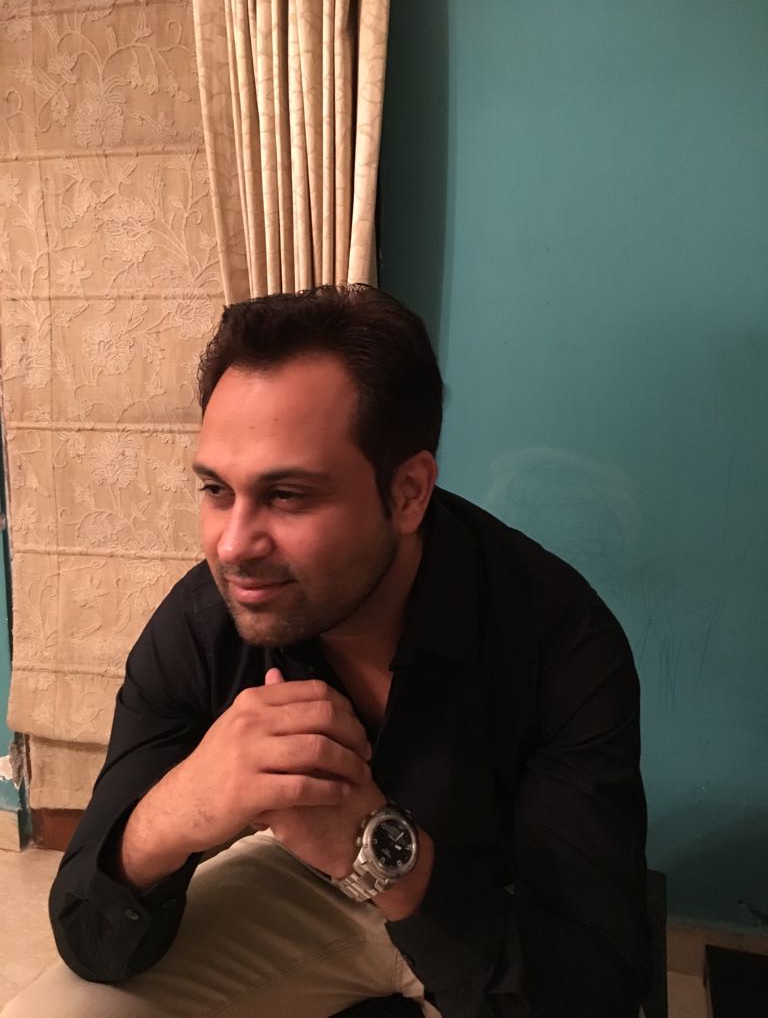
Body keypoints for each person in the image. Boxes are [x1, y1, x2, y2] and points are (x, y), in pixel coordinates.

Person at [3, 285, 651, 1018]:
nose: (232, 546)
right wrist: (178, 810)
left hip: (497, 908)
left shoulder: (563, 641)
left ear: (407, 493)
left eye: (287, 495)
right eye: (216, 489)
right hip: (312, 889)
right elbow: (88, 936)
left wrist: (371, 847)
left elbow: (591, 990)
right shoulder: (203, 626)